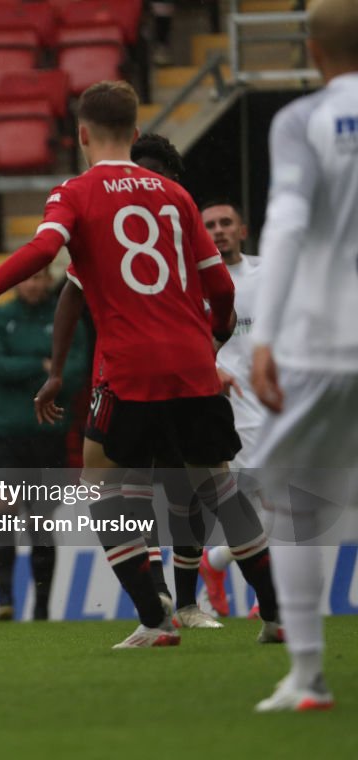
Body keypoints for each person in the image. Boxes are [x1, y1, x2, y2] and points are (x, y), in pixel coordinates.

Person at [0, 80, 280, 649]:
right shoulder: (175, 196)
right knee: (218, 483)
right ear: (135, 134)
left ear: (81, 134)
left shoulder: (75, 193)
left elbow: (44, 254)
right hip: (192, 363)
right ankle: (276, 615)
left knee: (103, 483)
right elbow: (220, 288)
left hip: (130, 368)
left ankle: (155, 616)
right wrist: (209, 340)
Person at [34, 133, 229, 631]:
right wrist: (57, 369)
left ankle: (185, 603)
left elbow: (222, 300)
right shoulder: (110, 234)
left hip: (185, 376)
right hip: (123, 380)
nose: (137, 181)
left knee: (186, 488)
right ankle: (159, 599)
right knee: (133, 487)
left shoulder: (183, 229)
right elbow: (70, 298)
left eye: (153, 172)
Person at [249, 0, 358, 713]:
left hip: (324, 338)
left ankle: (309, 676)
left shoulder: (302, 121)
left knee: (292, 495)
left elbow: (286, 226)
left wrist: (265, 334)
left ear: (314, 49)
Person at [0, 266, 88, 622]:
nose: (34, 283)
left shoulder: (66, 318)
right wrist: (42, 367)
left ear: (48, 281)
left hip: (49, 434)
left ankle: (41, 607)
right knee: (2, 511)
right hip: (4, 431)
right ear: (18, 280)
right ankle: (5, 600)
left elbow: (76, 370)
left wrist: (38, 371)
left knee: (41, 520)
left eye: (40, 278)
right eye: (28, 277)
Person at [195, 199, 268, 619]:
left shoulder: (269, 273)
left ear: (242, 230)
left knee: (271, 499)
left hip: (274, 402)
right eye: (210, 225)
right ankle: (262, 598)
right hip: (223, 406)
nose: (219, 230)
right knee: (264, 500)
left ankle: (217, 561)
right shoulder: (191, 280)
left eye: (227, 223)